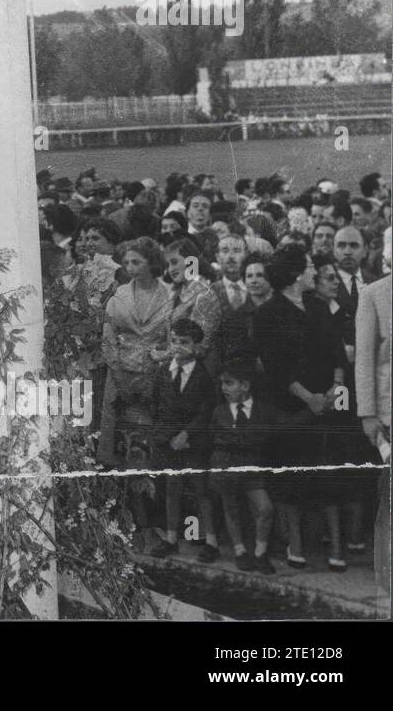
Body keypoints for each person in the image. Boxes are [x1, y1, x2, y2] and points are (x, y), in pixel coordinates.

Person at [253, 245, 363, 571]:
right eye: (311, 266)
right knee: (292, 480)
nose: (316, 271)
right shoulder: (268, 314)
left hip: (328, 406)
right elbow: (275, 368)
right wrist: (309, 398)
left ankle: (337, 548)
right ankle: (296, 545)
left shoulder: (318, 307)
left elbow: (336, 354)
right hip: (291, 410)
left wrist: (336, 386)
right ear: (296, 273)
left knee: (328, 478)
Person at [148, 318, 218, 562]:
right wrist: (164, 434)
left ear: (196, 346)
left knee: (201, 490)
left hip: (193, 442)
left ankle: (211, 541)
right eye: (174, 341)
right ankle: (170, 538)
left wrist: (187, 434)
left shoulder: (203, 376)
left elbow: (206, 411)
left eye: (184, 342)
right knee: (172, 488)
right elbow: (156, 405)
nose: (178, 347)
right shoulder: (163, 372)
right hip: (168, 441)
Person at [100, 237, 171, 467]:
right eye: (127, 263)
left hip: (156, 374)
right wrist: (118, 372)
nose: (130, 268)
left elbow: (174, 339)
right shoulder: (119, 295)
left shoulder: (169, 296)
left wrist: (161, 360)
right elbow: (108, 338)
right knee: (119, 436)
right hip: (120, 372)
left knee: (150, 435)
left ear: (152, 263)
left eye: (137, 262)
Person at [207, 361, 278, 573]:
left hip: (251, 469)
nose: (223, 388)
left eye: (229, 383)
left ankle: (260, 552)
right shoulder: (219, 412)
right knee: (231, 508)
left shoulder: (262, 410)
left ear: (245, 386)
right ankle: (240, 551)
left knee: (265, 508)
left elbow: (276, 429)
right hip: (226, 467)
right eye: (222, 384)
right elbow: (214, 438)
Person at [355, 246, 391, 593]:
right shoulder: (373, 294)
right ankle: (388, 578)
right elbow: (363, 358)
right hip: (387, 412)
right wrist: (368, 413)